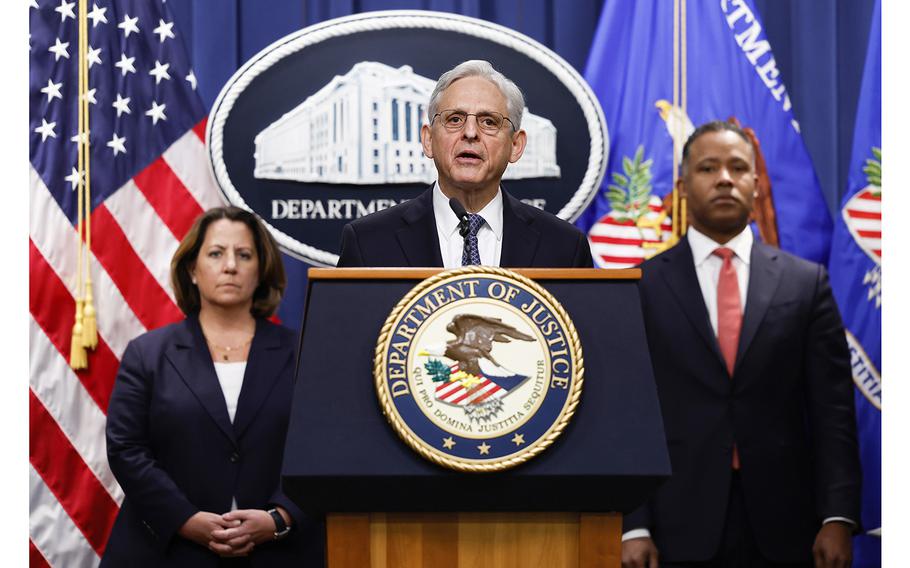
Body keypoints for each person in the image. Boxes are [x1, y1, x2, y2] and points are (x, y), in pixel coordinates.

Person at [622, 122, 861, 568]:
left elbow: (833, 413)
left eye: (738, 167)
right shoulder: (643, 286)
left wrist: (838, 516)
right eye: (708, 168)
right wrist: (634, 525)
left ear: (757, 182)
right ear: (683, 186)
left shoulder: (806, 284)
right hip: (675, 524)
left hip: (789, 525)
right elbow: (630, 414)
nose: (725, 179)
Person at [103, 207, 323, 567]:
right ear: (192, 268)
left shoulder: (302, 352)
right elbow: (126, 448)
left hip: (278, 554)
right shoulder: (148, 354)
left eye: (244, 255)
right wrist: (184, 519)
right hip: (168, 552)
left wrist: (279, 519)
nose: (231, 266)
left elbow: (323, 449)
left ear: (261, 270)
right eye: (216, 253)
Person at [336, 59, 594, 268]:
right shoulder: (368, 243)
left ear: (516, 146)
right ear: (428, 140)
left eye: (489, 122)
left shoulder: (564, 248)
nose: (470, 132)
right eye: (455, 119)